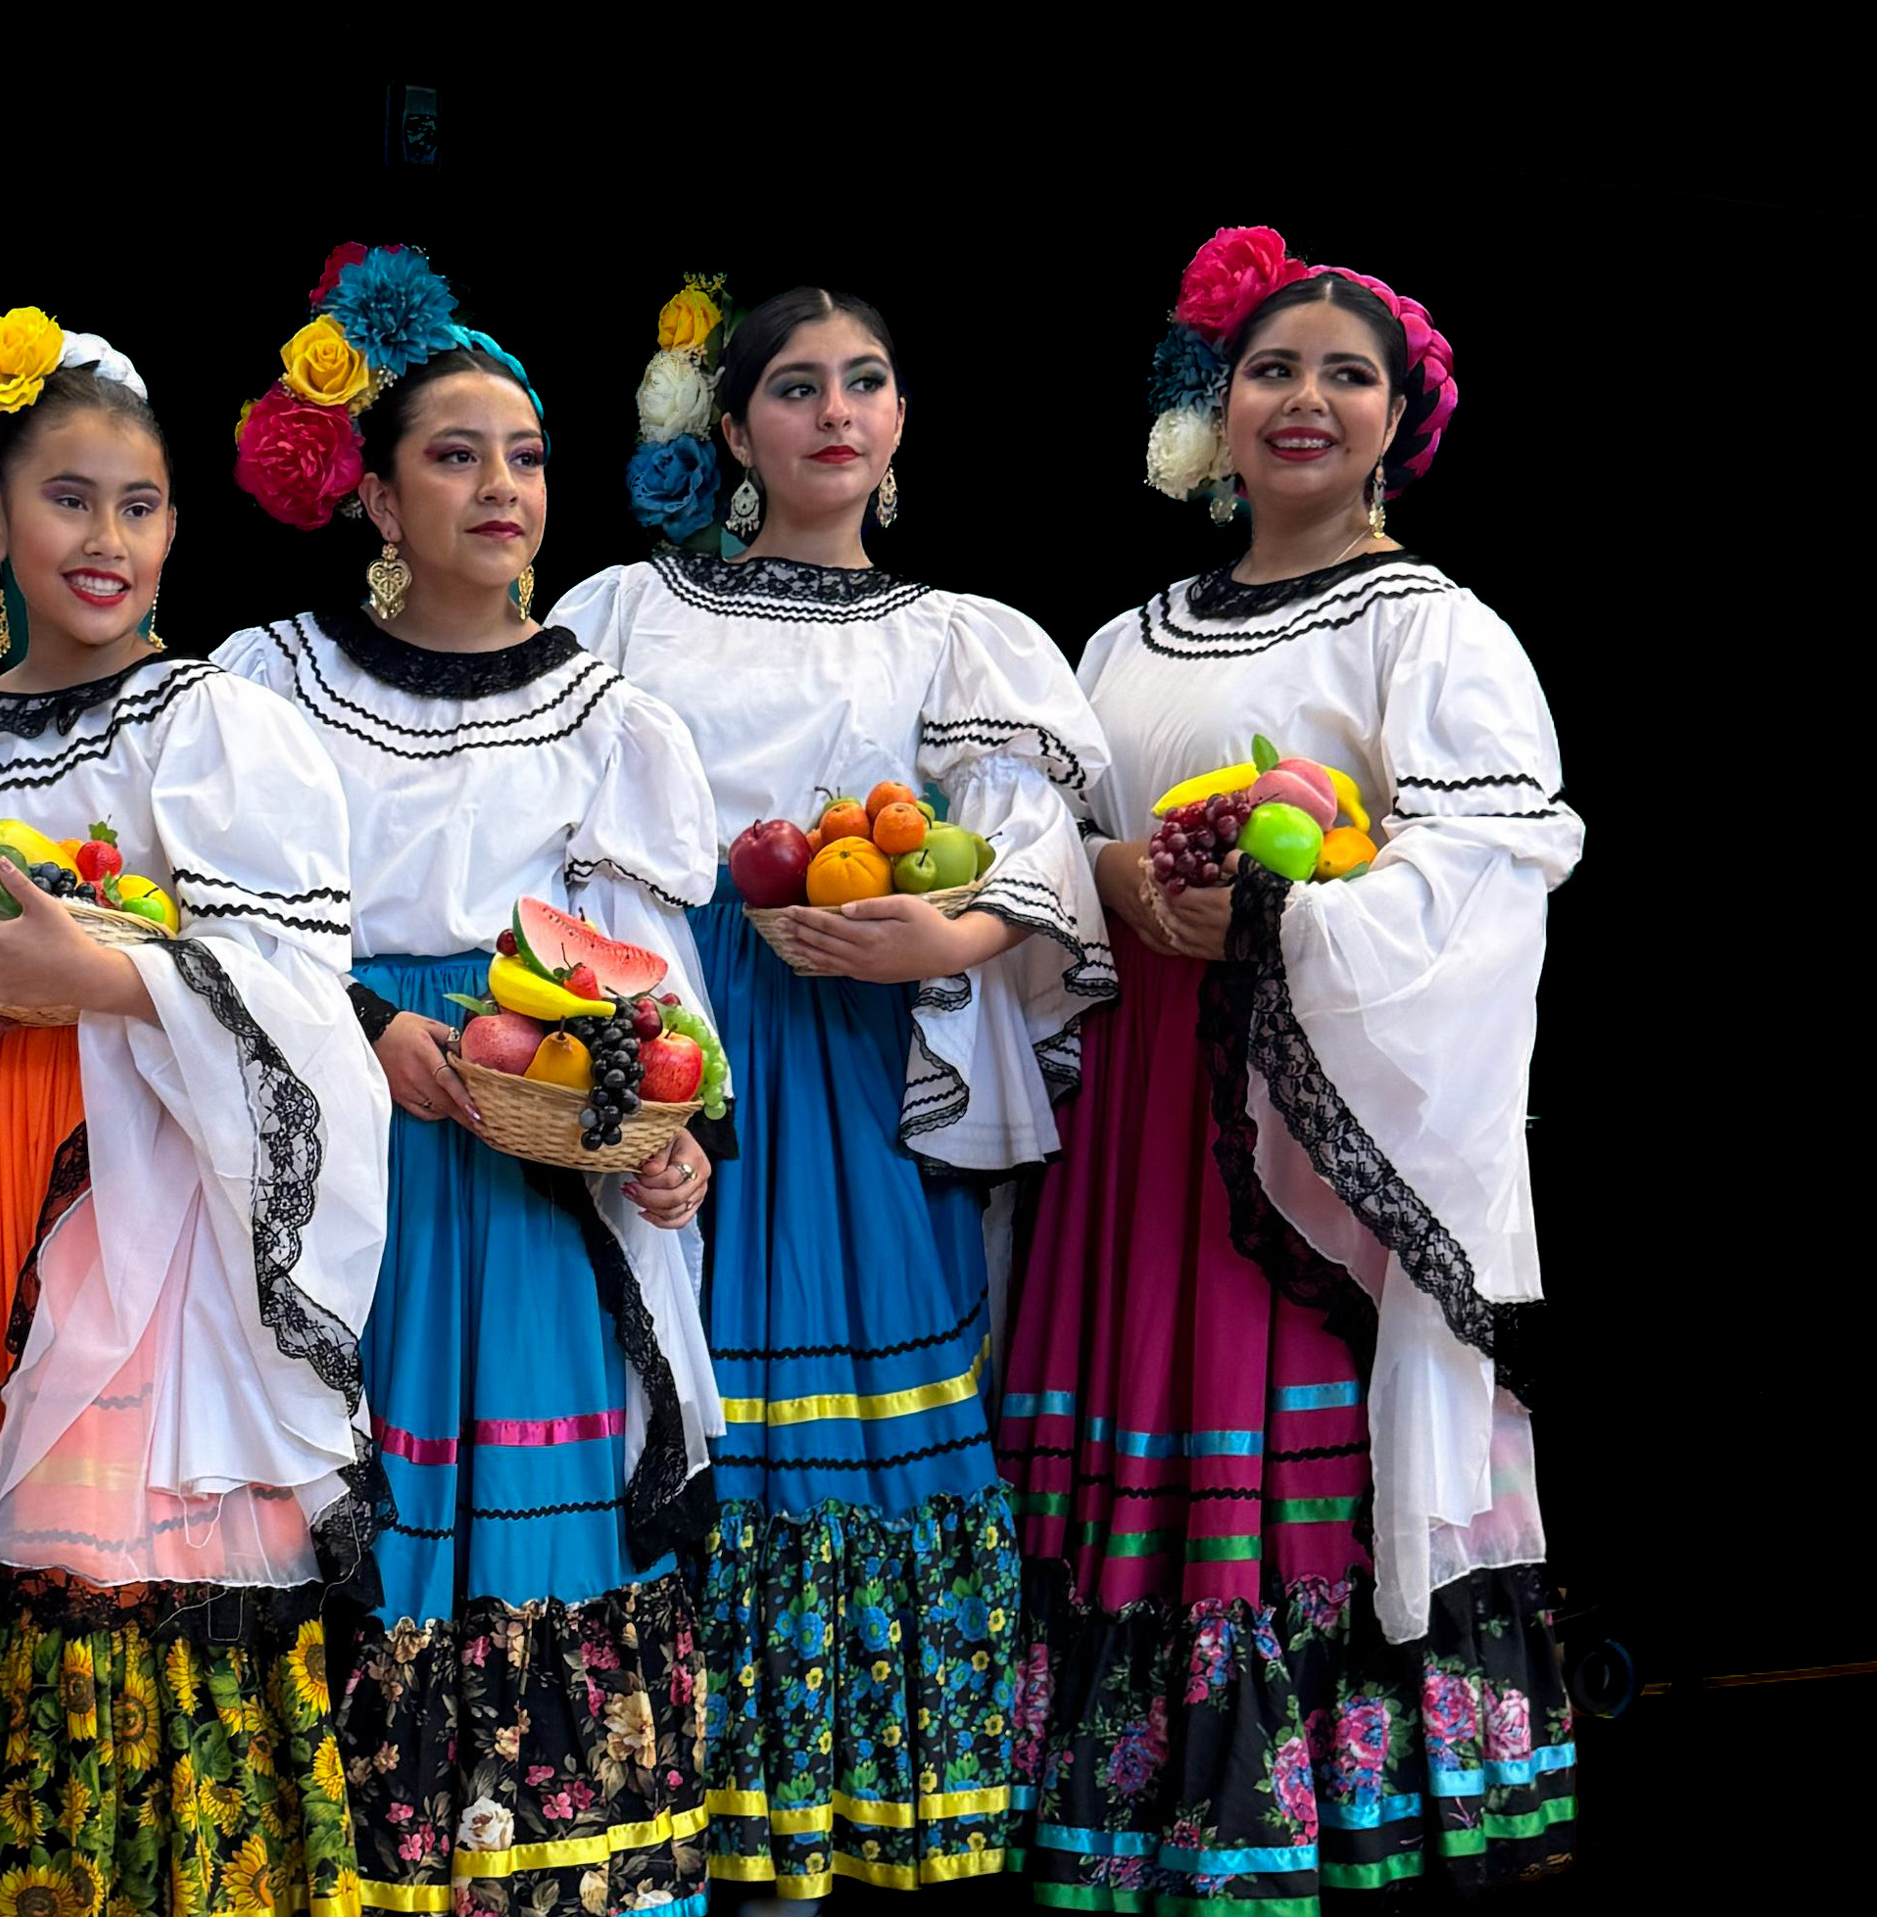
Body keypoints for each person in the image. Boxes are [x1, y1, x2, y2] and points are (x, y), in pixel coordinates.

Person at [1000, 227, 1580, 1907]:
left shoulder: (1436, 633)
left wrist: (1272, 924)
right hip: (1139, 1117)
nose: (1305, 399)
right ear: (1220, 406)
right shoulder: (1125, 638)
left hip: (1303, 1129)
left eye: (1347, 375)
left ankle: (1301, 1815)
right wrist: (1118, 884)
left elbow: (1481, 879)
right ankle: (1122, 1811)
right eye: (1272, 369)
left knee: (1275, 1418)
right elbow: (1060, 851)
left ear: (1401, 419)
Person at [0, 312, 385, 1916]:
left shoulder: (213, 730)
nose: (106, 538)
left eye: (139, 502)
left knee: (108, 1564)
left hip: (136, 1216)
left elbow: (302, 998)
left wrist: (101, 979)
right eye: (66, 497)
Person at [555, 286, 1114, 1899]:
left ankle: (872, 1798)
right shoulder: (625, 617)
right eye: (794, 388)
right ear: (731, 433)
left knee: (870, 1415)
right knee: (669, 1359)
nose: (835, 413)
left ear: (899, 420)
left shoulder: (957, 637)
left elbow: (1029, 844)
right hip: (683, 1028)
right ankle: (682, 1798)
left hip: (868, 1048)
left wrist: (939, 930)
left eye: (865, 382)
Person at [217, 243, 726, 1914]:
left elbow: (651, 979)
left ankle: (537, 1863)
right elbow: (229, 920)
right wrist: (369, 1031)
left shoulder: (605, 714)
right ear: (373, 494)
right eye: (453, 454)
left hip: (528, 1152)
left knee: (531, 1476)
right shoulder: (269, 687)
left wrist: (675, 1138)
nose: (500, 485)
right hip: (338, 1143)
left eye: (523, 455)